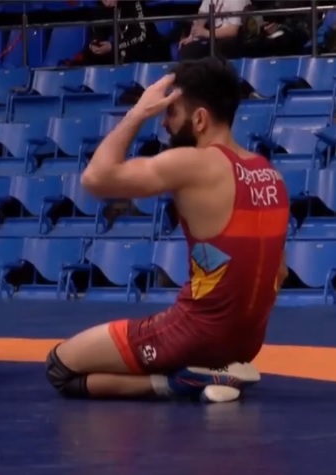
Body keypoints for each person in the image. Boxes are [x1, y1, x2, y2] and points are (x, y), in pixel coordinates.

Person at [45, 57, 289, 403]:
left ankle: (183, 380)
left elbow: (95, 179)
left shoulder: (193, 163)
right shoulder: (271, 175)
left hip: (192, 335)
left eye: (170, 112)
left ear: (200, 119)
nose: (163, 122)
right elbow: (280, 271)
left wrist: (137, 113)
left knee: (60, 367)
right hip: (247, 343)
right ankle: (211, 369)